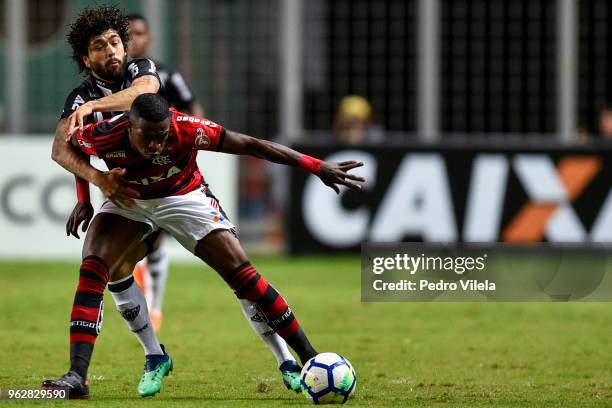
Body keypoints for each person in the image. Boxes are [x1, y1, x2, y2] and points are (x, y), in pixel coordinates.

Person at [43, 5, 301, 399]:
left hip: (180, 189)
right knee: (102, 267)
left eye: (115, 42)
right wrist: (91, 188)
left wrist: (94, 109)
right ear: (86, 57)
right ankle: (116, 365)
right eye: (99, 46)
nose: (111, 51)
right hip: (130, 196)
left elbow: (150, 96)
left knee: (239, 274)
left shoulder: (142, 71)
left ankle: (286, 359)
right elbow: (66, 149)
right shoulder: (77, 98)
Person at [63, 92, 365, 398]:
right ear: (129, 127)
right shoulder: (103, 135)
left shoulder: (188, 129)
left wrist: (316, 167)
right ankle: (79, 376)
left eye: (161, 136)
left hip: (183, 196)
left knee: (245, 278)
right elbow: (70, 147)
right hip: (130, 201)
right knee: (93, 268)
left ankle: (307, 357)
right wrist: (86, 196)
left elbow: (251, 145)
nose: (155, 146)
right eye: (147, 137)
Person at [127, 13, 205, 332]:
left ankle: (154, 307)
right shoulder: (112, 83)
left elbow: (193, 108)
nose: (133, 40)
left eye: (139, 34)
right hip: (125, 169)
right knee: (129, 235)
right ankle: (138, 284)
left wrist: (188, 148)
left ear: (149, 39)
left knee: (156, 237)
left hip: (162, 169)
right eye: (127, 34)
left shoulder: (167, 75)